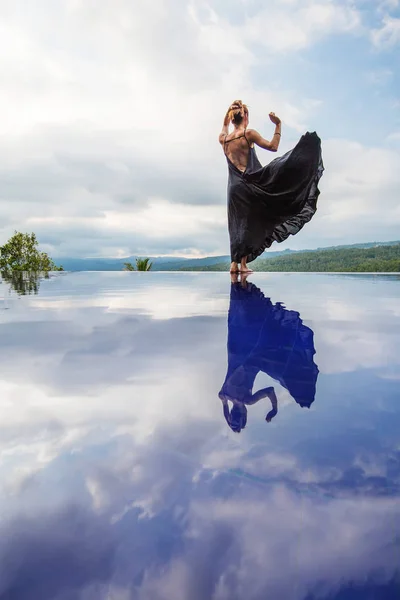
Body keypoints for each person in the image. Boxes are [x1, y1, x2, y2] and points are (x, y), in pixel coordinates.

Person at [219, 100, 324, 274]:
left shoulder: (224, 140)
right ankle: (243, 265)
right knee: (249, 224)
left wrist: (229, 110)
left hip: (233, 188)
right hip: (249, 185)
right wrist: (278, 125)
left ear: (231, 119)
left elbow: (223, 125)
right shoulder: (248, 134)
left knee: (235, 223)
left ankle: (233, 264)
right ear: (245, 117)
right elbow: (273, 147)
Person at [219, 274, 319, 432]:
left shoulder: (247, 399)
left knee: (267, 332)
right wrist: (229, 419)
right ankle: (239, 284)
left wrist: (274, 409)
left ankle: (244, 287)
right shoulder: (223, 395)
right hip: (235, 349)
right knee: (240, 319)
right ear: (232, 412)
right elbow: (225, 412)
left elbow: (270, 391)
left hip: (251, 357)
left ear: (244, 413)